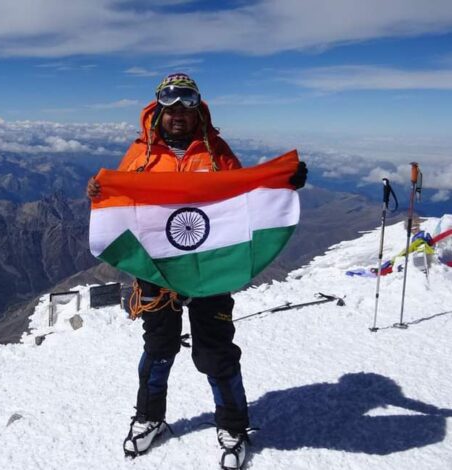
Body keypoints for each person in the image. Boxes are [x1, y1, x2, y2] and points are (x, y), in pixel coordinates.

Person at [87, 73, 307, 469]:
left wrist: (284, 184)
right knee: (158, 348)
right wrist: (101, 194)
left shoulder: (217, 153)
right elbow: (124, 200)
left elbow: (244, 199)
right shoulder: (141, 155)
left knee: (215, 350)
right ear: (158, 111)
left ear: (196, 110)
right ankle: (149, 417)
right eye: (169, 108)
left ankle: (234, 426)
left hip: (211, 271)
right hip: (159, 272)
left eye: (185, 107)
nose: (177, 115)